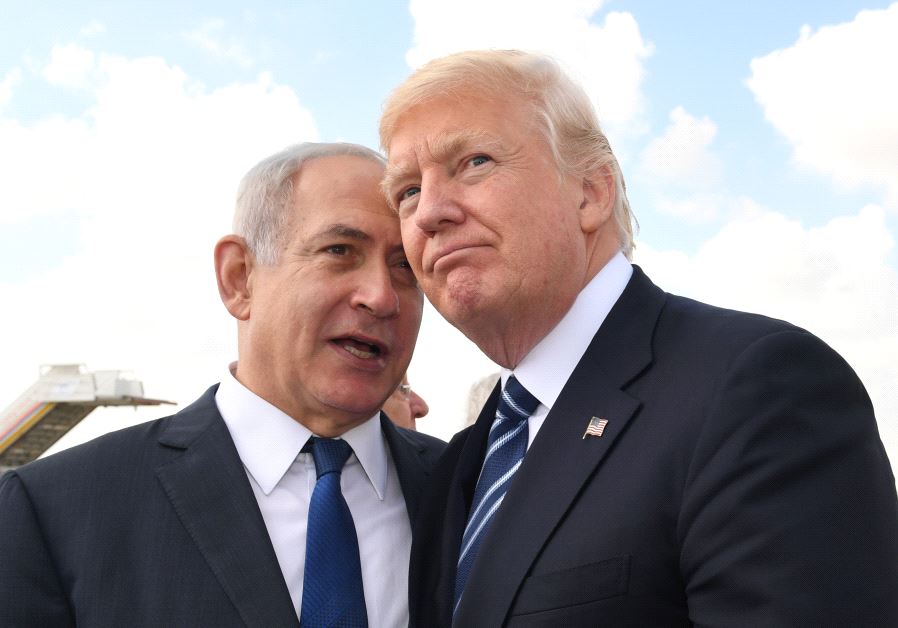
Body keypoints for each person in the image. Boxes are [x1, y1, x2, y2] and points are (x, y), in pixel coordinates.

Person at [379, 50, 898, 627]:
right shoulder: (468, 460)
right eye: (406, 191)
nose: (428, 213)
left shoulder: (759, 388)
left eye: (474, 162)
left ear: (590, 193)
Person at [0, 142, 445, 627]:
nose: (381, 296)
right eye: (339, 252)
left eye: (405, 267)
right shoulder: (53, 509)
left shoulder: (469, 491)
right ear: (239, 278)